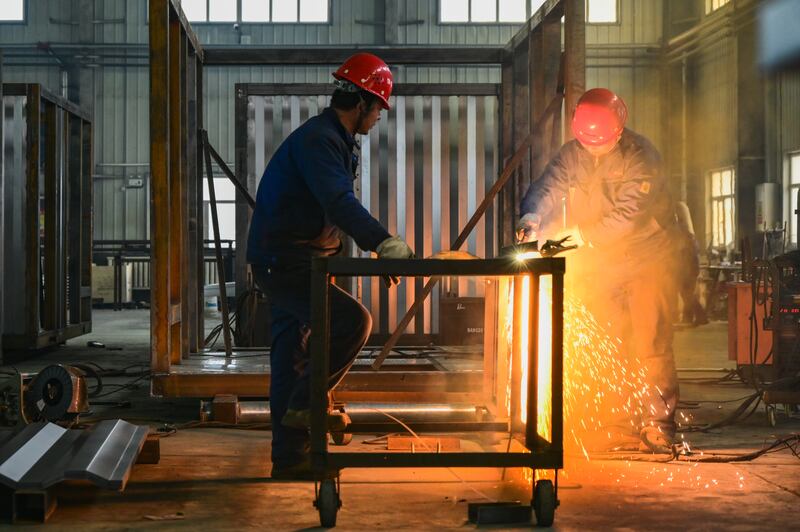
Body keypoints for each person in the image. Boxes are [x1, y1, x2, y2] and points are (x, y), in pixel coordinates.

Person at [246, 53, 414, 479]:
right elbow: (338, 202)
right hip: (286, 261)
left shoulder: (333, 139)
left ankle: (290, 458)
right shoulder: (320, 141)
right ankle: (307, 404)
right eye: (378, 108)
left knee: (291, 357)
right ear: (361, 102)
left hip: (292, 258)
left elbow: (326, 210)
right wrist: (384, 243)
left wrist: (365, 251)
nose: (379, 117)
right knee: (352, 322)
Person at [516, 88, 680, 454]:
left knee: (650, 341)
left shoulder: (642, 157)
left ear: (619, 131)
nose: (592, 149)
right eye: (586, 143)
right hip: (604, 261)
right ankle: (617, 423)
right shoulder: (573, 153)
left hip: (647, 259)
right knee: (610, 340)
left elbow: (628, 217)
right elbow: (548, 186)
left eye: (600, 144)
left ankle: (658, 423)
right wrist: (532, 216)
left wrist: (577, 237)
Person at [675, 202, 708, 326]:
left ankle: (701, 316)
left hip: (688, 267)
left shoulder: (683, 233)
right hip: (690, 266)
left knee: (686, 293)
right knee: (687, 293)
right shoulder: (689, 233)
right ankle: (687, 318)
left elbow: (684, 252)